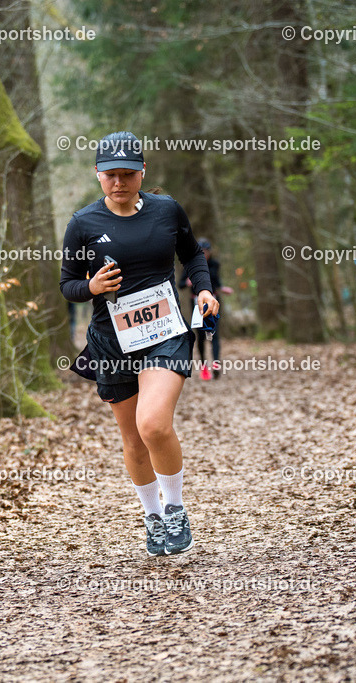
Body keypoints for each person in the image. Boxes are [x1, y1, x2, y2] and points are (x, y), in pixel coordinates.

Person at [59, 131, 219, 556]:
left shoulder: (166, 210)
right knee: (132, 439)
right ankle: (151, 517)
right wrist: (90, 285)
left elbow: (193, 254)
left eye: (127, 174)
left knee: (153, 425)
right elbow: (67, 286)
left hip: (164, 333)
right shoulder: (83, 225)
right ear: (97, 175)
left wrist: (201, 289)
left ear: (142, 172)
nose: (118, 182)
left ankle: (176, 510)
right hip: (111, 342)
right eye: (110, 175)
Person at [178, 239, 233, 378]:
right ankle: (203, 366)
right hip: (196, 303)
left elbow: (215, 280)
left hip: (213, 301)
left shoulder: (214, 264)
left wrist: (222, 288)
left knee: (214, 333)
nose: (204, 254)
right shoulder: (190, 264)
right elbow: (181, 284)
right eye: (202, 251)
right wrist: (187, 282)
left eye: (206, 251)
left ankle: (215, 365)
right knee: (201, 336)